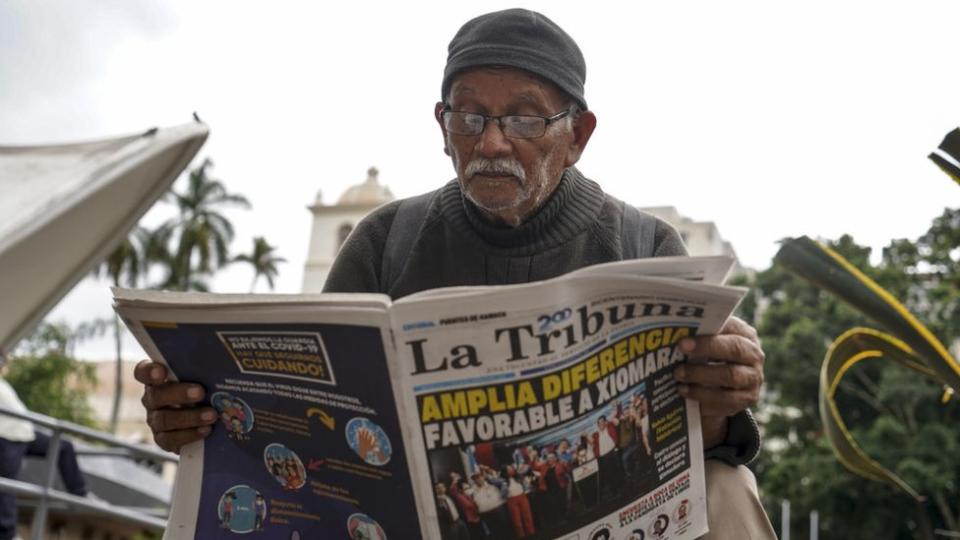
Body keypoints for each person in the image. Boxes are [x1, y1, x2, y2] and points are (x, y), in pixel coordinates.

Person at [134, 8, 772, 538]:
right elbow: (309, 426)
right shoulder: (385, 243)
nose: (492, 143)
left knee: (728, 489)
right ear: (443, 128)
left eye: (525, 118)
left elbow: (696, 448)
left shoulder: (646, 245)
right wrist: (193, 419)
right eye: (469, 116)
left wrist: (721, 399)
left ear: (577, 136)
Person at [0, 376, 92, 540]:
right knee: (7, 485)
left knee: (63, 446)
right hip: (7, 438)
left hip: (25, 433)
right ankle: (8, 534)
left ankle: (80, 493)